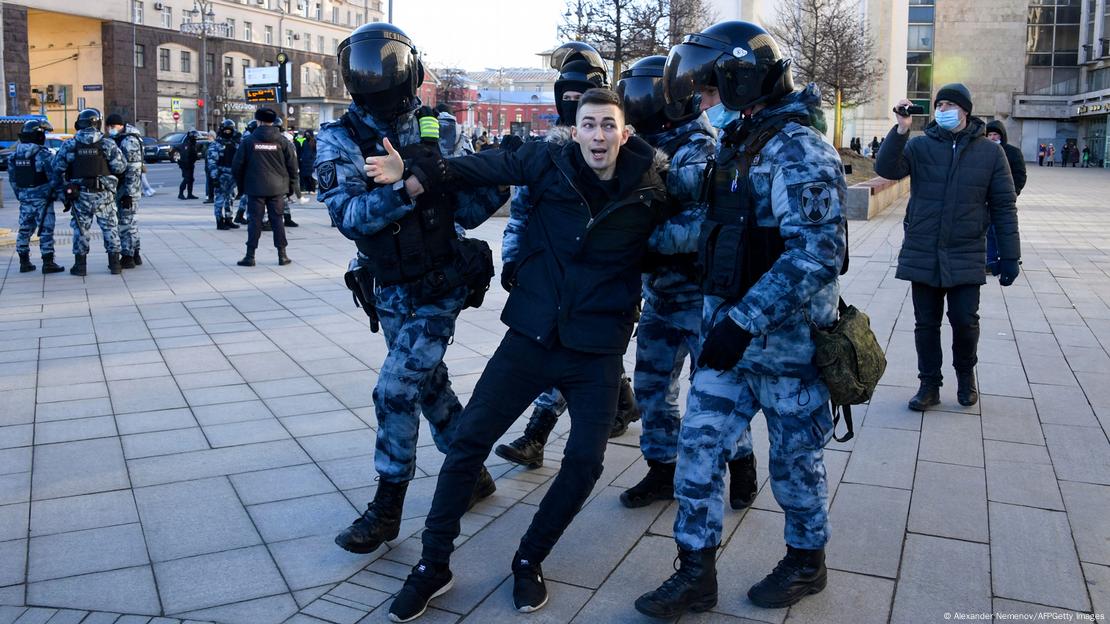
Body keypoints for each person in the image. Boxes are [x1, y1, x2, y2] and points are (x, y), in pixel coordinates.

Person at [367, 86, 670, 620]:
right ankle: (433, 565)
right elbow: (473, 168)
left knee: (584, 463)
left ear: (625, 133)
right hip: (529, 340)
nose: (598, 135)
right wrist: (409, 175)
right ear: (574, 130)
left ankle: (528, 560)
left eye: (608, 126)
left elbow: (702, 231)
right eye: (589, 124)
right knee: (466, 445)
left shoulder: (652, 187)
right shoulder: (547, 161)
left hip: (594, 353)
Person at [634, 21, 847, 618]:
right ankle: (695, 576)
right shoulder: (741, 142)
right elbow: (719, 228)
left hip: (787, 350)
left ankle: (808, 562)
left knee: (795, 464)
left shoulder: (800, 150)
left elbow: (817, 253)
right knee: (698, 453)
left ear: (739, 80)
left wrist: (744, 321)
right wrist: (647, 241)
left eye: (707, 90)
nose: (701, 102)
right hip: (728, 345)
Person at [315, 23, 506, 561]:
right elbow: (351, 217)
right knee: (429, 386)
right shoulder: (339, 138)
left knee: (395, 390)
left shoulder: (439, 129)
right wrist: (415, 185)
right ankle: (472, 475)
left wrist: (493, 175)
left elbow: (468, 211)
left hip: (440, 284)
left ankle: (387, 507)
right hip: (389, 286)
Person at [613, 54, 758, 511]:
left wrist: (644, 241)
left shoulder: (700, 149)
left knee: (716, 392)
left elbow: (704, 224)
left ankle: (742, 461)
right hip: (660, 294)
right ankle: (662, 467)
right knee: (654, 387)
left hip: (700, 297)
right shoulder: (636, 147)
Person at [493, 41, 640, 472]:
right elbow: (520, 211)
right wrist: (513, 260)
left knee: (568, 347)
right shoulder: (547, 148)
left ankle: (537, 433)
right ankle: (623, 401)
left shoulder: (616, 143)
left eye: (583, 92)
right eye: (567, 94)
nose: (573, 101)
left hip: (602, 278)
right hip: (549, 269)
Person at [876, 83, 1020, 411]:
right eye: (939, 104)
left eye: (949, 104)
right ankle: (929, 384)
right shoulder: (920, 146)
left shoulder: (990, 152)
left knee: (965, 320)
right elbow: (886, 169)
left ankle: (966, 376)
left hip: (966, 250)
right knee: (925, 323)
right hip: (924, 249)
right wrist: (900, 129)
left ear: (965, 110)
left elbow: (1004, 205)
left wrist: (1010, 255)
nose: (942, 110)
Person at [51, 108, 128, 276]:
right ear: (98, 123)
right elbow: (121, 167)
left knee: (81, 229)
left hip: (80, 195)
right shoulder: (107, 143)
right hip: (104, 195)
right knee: (110, 228)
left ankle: (80, 266)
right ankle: (115, 264)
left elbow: (57, 167)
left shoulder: (70, 144)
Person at [231, 107, 298, 266]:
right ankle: (282, 255)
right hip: (277, 188)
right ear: (273, 122)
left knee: (255, 221)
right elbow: (293, 166)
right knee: (278, 221)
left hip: (255, 188)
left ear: (258, 121)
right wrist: (292, 188)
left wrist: (241, 187)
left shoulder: (248, 141)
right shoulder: (283, 141)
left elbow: (237, 166)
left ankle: (250, 256)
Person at [9, 119, 64, 274]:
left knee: (25, 229)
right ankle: (48, 262)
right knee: (46, 229)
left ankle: (24, 262)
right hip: (43, 200)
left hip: (25, 199)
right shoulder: (44, 155)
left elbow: (13, 180)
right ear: (38, 135)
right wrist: (63, 197)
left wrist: (21, 196)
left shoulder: (14, 156)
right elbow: (54, 178)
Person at [984, 120, 1027, 276]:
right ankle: (991, 260)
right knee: (988, 230)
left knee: (1002, 229)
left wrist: (1013, 193)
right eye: (989, 135)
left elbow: (1020, 175)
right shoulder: (983, 151)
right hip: (985, 200)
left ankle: (1008, 258)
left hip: (1003, 199)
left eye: (995, 134)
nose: (992, 137)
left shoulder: (1012, 152)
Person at [208, 119, 241, 230]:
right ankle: (219, 220)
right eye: (225, 130)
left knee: (230, 198)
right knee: (220, 198)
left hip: (233, 176)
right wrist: (214, 177)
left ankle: (228, 219)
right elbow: (212, 162)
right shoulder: (216, 145)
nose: (228, 132)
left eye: (230, 130)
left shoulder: (236, 143)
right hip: (221, 176)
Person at [177, 130, 200, 199]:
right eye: (195, 137)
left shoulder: (192, 143)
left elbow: (193, 154)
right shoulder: (187, 144)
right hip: (186, 164)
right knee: (186, 179)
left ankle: (190, 194)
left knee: (191, 179)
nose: (196, 138)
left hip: (190, 164)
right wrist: (186, 165)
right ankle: (180, 193)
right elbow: (185, 155)